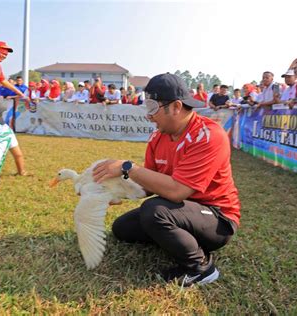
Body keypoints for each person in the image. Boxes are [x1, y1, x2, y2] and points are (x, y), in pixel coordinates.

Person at [93, 73, 240, 287]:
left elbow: (177, 191)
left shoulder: (208, 135)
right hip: (181, 210)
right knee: (122, 228)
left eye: (153, 107)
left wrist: (128, 167)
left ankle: (200, 267)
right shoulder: (158, 136)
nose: (148, 116)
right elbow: (149, 184)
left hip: (218, 218)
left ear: (176, 106)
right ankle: (180, 238)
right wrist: (114, 192)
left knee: (154, 211)